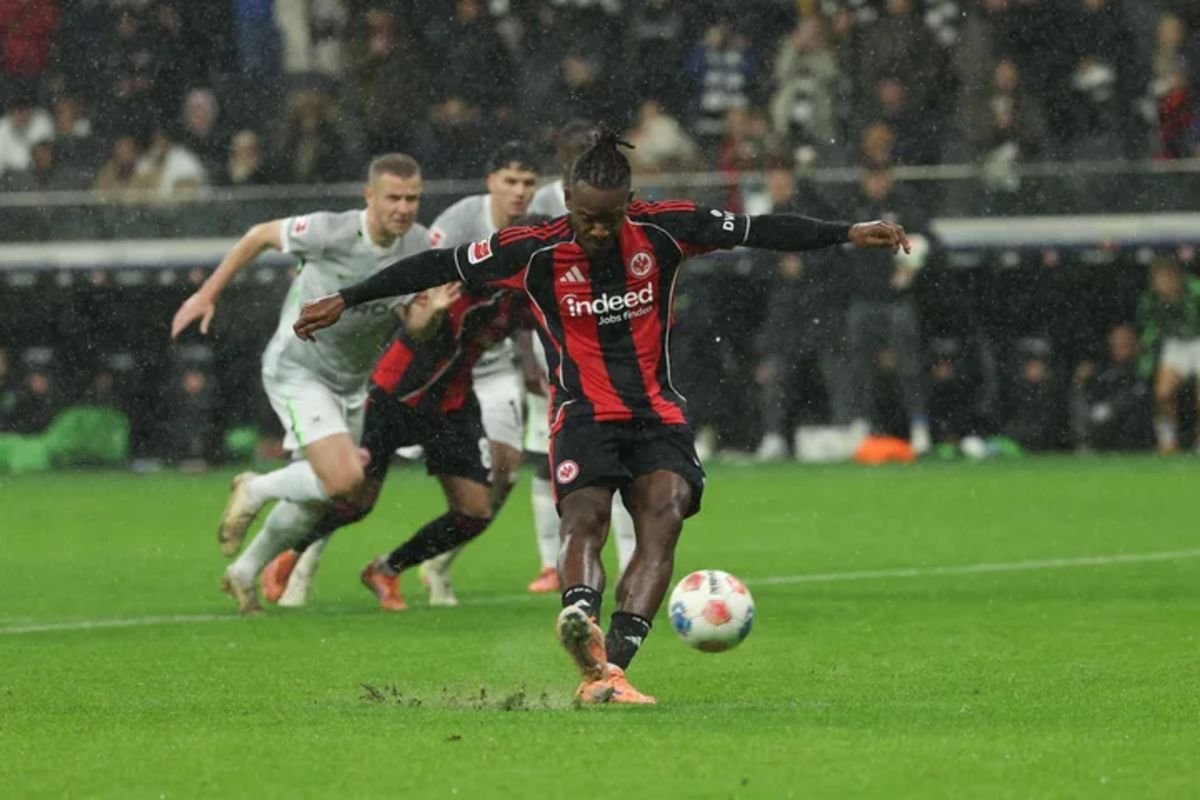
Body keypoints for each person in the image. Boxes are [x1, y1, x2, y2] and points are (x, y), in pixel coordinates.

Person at [293, 130, 907, 703]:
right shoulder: (531, 249)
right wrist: (348, 298)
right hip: (582, 414)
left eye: (610, 218)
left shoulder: (667, 229)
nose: (596, 230)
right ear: (565, 200)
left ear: (630, 203)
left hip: (655, 414)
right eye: (585, 216)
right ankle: (580, 615)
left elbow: (760, 229)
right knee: (584, 518)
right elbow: (439, 266)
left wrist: (847, 231)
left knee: (662, 520)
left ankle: (608, 669)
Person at [169, 153, 430, 615]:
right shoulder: (332, 230)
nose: (403, 208)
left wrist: (431, 316)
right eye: (393, 197)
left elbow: (415, 323)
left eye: (412, 198)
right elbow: (259, 236)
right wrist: (208, 293)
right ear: (370, 196)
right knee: (347, 478)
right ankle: (256, 488)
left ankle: (244, 573)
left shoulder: (419, 243)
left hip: (351, 382)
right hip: (298, 369)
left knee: (329, 497)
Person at [260, 280, 528, 611]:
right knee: (356, 501)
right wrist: (432, 313)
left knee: (474, 512)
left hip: (451, 404)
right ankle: (290, 551)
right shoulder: (462, 281)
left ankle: (386, 570)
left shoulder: (525, 296)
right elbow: (418, 330)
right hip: (394, 396)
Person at [415, 141, 540, 604]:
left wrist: (529, 361)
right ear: (491, 182)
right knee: (366, 467)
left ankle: (439, 564)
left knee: (505, 471)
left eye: (528, 183)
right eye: (510, 181)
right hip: (437, 368)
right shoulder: (457, 225)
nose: (519, 192)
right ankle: (304, 562)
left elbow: (526, 308)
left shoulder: (533, 232)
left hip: (490, 367)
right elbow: (419, 287)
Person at [526, 119, 637, 593]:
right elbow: (522, 280)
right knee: (545, 457)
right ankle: (553, 561)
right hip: (555, 346)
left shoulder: (613, 196)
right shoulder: (540, 207)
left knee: (627, 464)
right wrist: (525, 353)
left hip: (612, 337)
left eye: (590, 148)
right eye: (577, 149)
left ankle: (629, 563)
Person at [1138, 256, 1200, 453]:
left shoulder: (1196, 291)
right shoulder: (1152, 299)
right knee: (1163, 393)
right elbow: (1150, 327)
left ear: (1174, 276)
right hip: (1175, 344)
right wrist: (1146, 349)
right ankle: (1167, 440)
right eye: (1156, 281)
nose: (1159, 286)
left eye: (1162, 280)